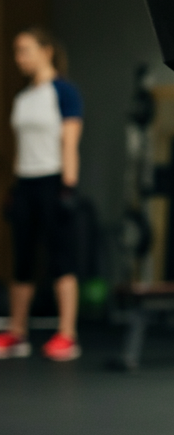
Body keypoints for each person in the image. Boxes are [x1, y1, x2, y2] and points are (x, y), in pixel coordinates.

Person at [0, 28, 84, 361]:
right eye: (16, 51)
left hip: (54, 181)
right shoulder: (22, 98)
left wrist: (69, 186)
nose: (20, 57)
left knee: (60, 257)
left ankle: (67, 335)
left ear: (46, 51)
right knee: (21, 259)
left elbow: (70, 142)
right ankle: (18, 333)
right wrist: (14, 189)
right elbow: (22, 147)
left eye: (25, 50)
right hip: (26, 183)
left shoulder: (64, 92)